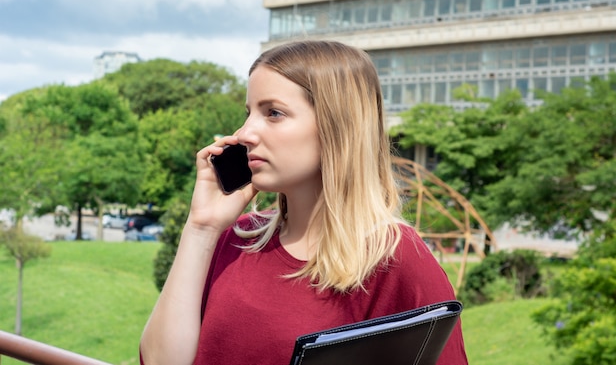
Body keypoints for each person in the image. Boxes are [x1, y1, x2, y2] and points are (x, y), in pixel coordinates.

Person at [139, 40, 468, 365]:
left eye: (274, 113)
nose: (243, 133)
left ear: (335, 127)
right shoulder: (236, 238)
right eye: (249, 112)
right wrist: (201, 228)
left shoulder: (396, 259)